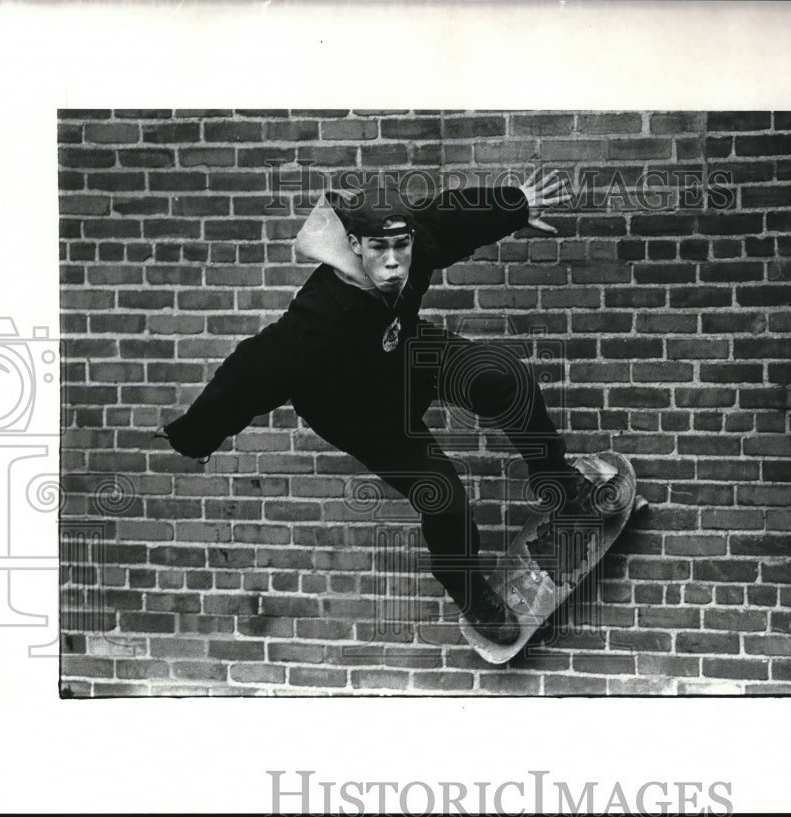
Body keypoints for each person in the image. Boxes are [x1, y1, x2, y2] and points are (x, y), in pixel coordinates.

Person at [156, 168, 606, 645]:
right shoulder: (317, 319)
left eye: (402, 248)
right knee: (444, 496)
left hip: (408, 359)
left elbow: (453, 216)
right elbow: (249, 372)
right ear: (354, 245)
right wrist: (197, 436)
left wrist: (515, 206)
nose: (394, 264)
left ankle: (556, 482)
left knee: (505, 375)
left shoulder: (412, 244)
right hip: (360, 415)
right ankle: (471, 594)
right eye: (378, 250)